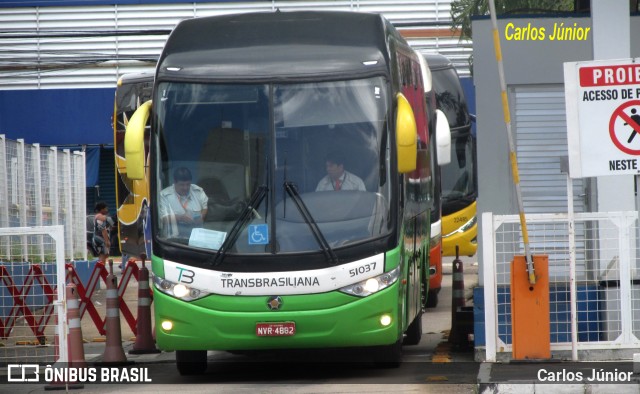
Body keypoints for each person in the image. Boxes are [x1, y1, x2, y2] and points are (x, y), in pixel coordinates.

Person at [158, 167, 209, 237]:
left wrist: (201, 217)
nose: (185, 188)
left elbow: (205, 207)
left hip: (196, 235)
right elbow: (163, 218)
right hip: (174, 237)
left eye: (188, 184)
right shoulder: (164, 195)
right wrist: (180, 218)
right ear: (175, 182)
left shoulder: (198, 191)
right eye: (182, 185)